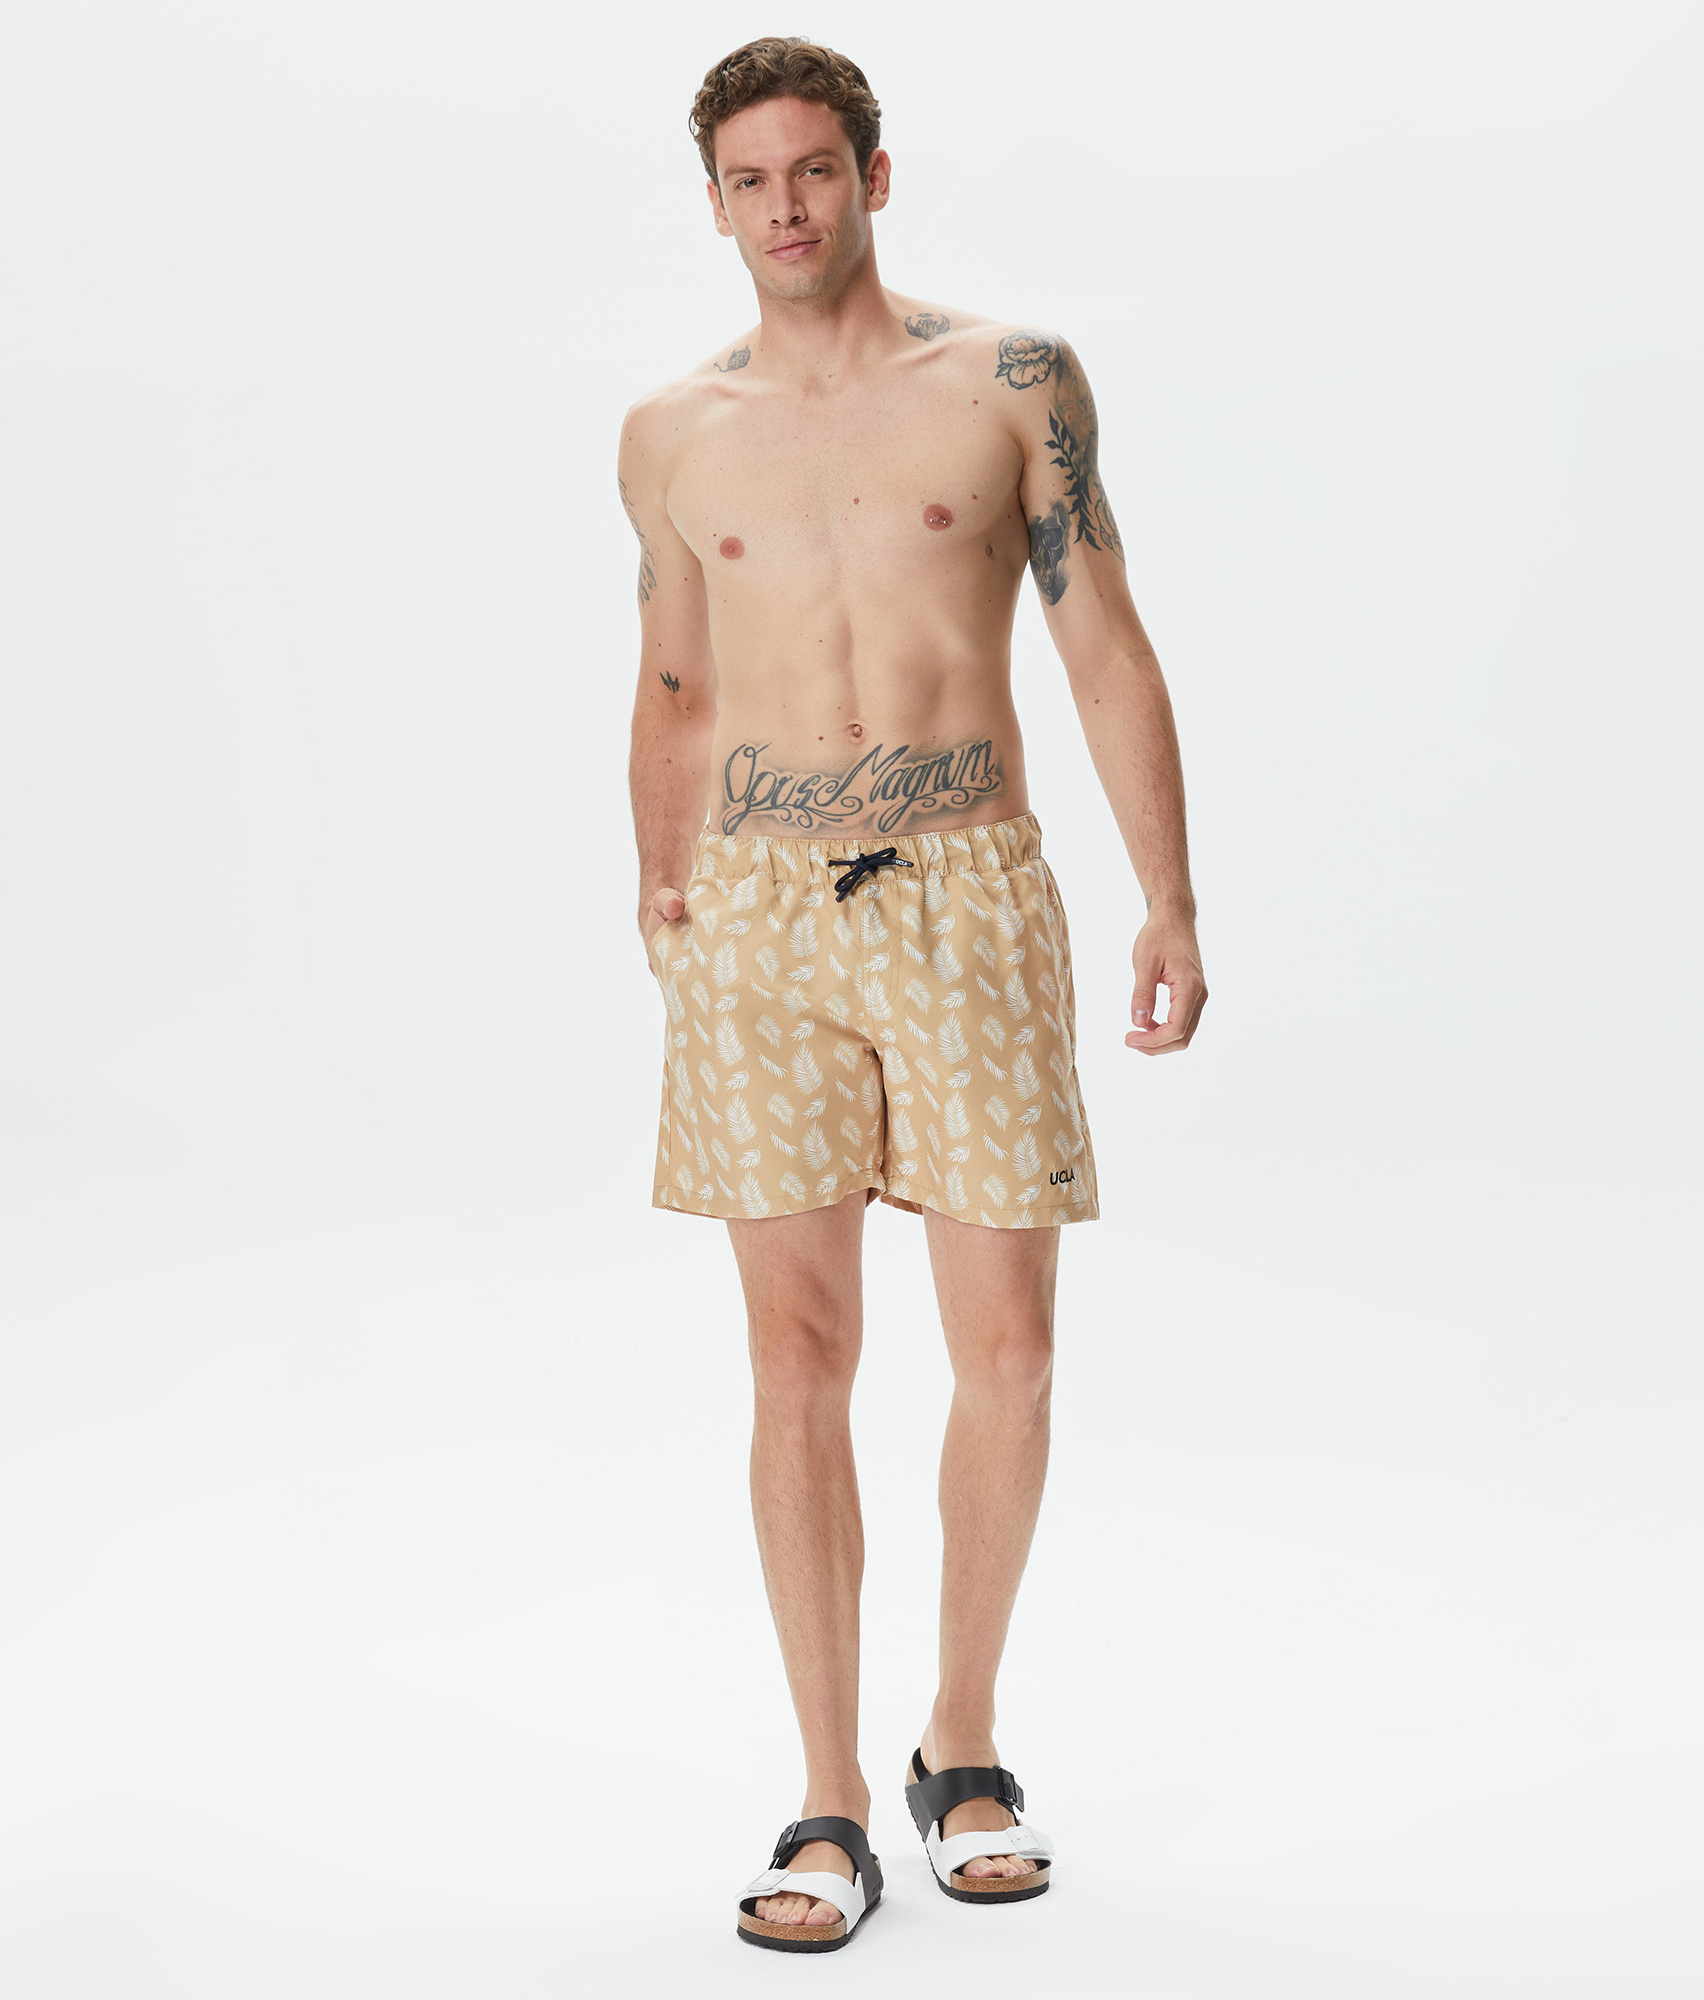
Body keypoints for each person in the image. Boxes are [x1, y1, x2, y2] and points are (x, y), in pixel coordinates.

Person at [621, 37, 1206, 1953]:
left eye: (815, 169)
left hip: (968, 888)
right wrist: (662, 885)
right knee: (795, 1360)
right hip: (760, 909)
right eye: (750, 179)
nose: (785, 207)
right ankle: (828, 1795)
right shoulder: (672, 430)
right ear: (714, 202)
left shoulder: (1011, 381)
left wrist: (1167, 897)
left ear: (874, 175)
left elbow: (1102, 638)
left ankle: (963, 1743)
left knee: (1007, 1347)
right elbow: (676, 680)